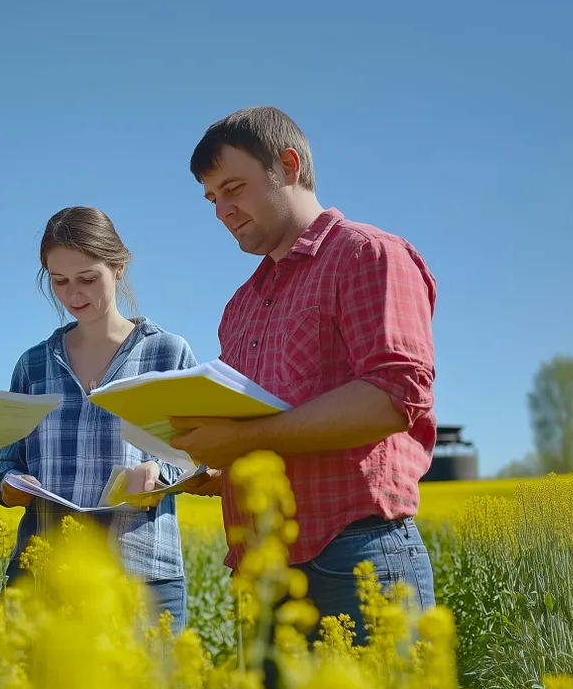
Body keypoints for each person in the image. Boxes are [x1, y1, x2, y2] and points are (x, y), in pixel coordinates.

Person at [171, 106, 438, 645]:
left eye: (234, 188)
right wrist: (221, 470)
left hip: (355, 558)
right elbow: (277, 426)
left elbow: (392, 397)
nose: (222, 210)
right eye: (212, 199)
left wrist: (243, 439)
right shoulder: (241, 304)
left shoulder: (366, 255)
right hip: (263, 569)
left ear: (288, 166)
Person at [0, 206, 198, 632]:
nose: (74, 295)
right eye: (59, 281)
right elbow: (7, 462)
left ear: (118, 267)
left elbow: (199, 453)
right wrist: (12, 484)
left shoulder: (169, 354)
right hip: (46, 572)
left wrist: (159, 472)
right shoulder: (33, 365)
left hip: (140, 574)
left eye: (88, 278)